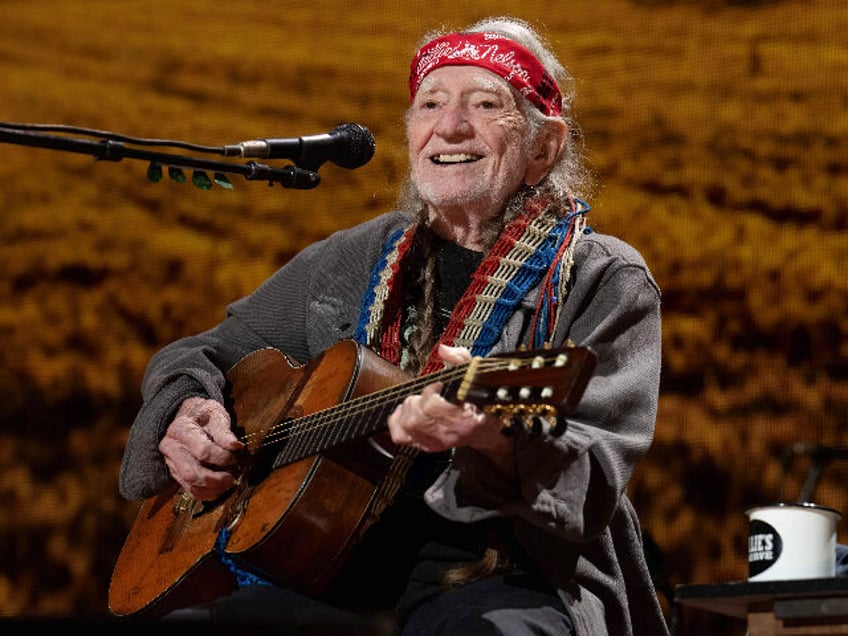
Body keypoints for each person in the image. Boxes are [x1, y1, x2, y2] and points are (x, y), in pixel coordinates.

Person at [117, 15, 669, 636]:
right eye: (430, 103)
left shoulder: (604, 277)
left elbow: (594, 474)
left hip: (503, 569)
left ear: (543, 147)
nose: (450, 125)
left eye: (486, 104)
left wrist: (495, 439)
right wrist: (187, 407)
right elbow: (207, 352)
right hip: (327, 563)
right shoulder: (353, 256)